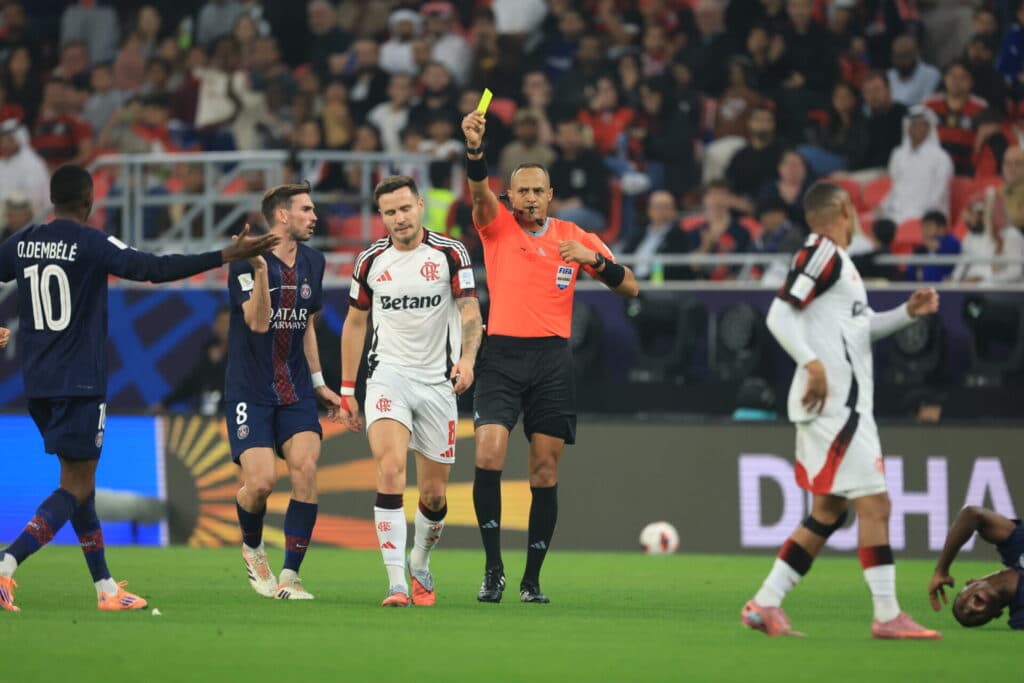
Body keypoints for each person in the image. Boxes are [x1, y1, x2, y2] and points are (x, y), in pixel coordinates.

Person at [0, 164, 278, 612]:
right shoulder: (91, 242)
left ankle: (106, 588)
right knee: (75, 485)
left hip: (37, 383)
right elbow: (153, 268)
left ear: (52, 199)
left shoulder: (24, 240)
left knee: (80, 483)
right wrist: (224, 255)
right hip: (81, 382)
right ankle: (8, 564)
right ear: (89, 201)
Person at [740, 181, 942, 640]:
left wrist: (905, 313)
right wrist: (811, 364)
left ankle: (765, 604)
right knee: (877, 504)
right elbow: (778, 314)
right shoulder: (822, 252)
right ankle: (888, 615)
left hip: (844, 409)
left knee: (828, 513)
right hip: (838, 410)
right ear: (845, 211)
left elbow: (858, 331)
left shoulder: (840, 264)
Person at [461, 109, 639, 604]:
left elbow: (631, 287)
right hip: (502, 356)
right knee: (489, 453)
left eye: (540, 191)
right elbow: (477, 191)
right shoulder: (495, 226)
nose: (532, 198)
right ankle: (493, 568)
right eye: (523, 191)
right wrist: (475, 149)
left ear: (550, 196)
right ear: (510, 197)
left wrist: (597, 261)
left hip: (552, 361)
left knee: (545, 469)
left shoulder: (574, 236)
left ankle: (531, 578)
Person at [339, 175, 483, 607]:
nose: (399, 218)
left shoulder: (449, 253)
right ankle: (395, 581)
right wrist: (348, 388)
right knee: (389, 470)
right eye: (389, 212)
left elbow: (471, 312)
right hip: (388, 376)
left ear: (420, 206)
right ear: (381, 217)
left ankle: (420, 561)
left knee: (434, 494)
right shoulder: (369, 261)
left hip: (439, 381)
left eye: (405, 208)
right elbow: (355, 322)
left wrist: (469, 360)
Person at [227, 182, 341, 601]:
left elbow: (307, 325)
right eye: (307, 210)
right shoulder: (243, 261)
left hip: (295, 390)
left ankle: (290, 576)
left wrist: (318, 383)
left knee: (306, 471)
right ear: (281, 216)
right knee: (259, 484)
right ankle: (254, 547)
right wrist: (259, 270)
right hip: (249, 391)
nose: (314, 217)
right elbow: (257, 323)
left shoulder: (314, 260)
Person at [928, 506, 1024, 630]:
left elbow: (972, 515)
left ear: (971, 583)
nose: (970, 609)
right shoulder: (1020, 615)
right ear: (996, 614)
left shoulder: (1015, 547)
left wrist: (941, 570)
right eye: (974, 617)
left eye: (962, 605)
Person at [148, 307, 230, 416]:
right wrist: (165, 403)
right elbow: (191, 383)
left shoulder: (246, 355)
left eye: (229, 322)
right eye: (221, 322)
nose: (224, 327)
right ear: (215, 326)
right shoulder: (208, 353)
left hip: (233, 418)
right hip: (207, 418)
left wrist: (220, 362)